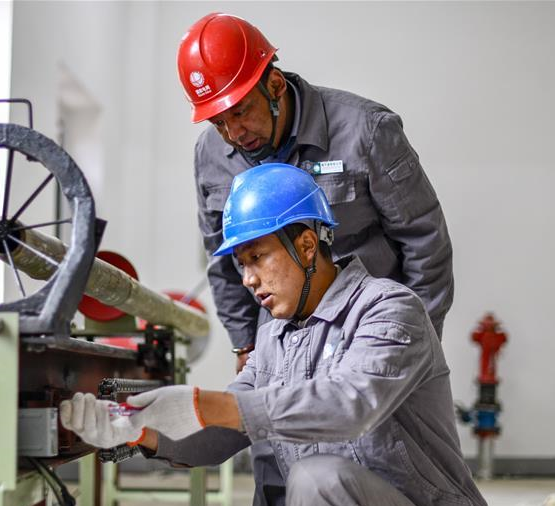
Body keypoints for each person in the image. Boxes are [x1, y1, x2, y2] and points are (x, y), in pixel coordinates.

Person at [60, 164, 485, 506]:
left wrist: (206, 404)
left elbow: (350, 404)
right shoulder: (273, 338)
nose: (248, 278)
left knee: (318, 478)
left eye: (258, 257)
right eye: (241, 263)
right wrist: (137, 430)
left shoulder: (388, 308)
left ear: (306, 245)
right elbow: (224, 431)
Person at [178, 12, 454, 374]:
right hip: (281, 348)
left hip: (368, 337)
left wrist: (411, 342)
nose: (234, 134)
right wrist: (245, 344)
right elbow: (222, 260)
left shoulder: (366, 132)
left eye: (241, 112)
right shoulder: (211, 155)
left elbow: (425, 242)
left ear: (275, 85)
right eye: (218, 122)